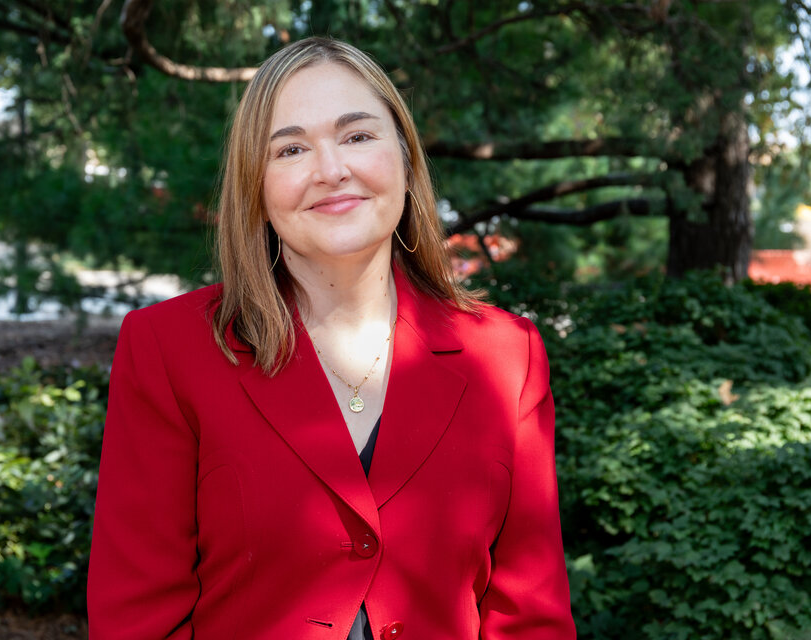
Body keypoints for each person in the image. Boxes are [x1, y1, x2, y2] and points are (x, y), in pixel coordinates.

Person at [87, 37, 576, 640]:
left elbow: (531, 617)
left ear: (406, 161)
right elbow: (136, 618)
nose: (331, 170)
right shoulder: (168, 350)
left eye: (358, 135)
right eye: (291, 149)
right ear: (256, 187)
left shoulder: (507, 355)